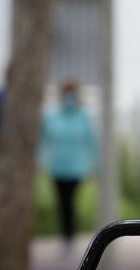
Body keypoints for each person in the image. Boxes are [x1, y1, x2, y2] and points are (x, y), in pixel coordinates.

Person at [39, 80, 98, 256]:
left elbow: (92, 143)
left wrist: (95, 166)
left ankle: (70, 237)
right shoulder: (53, 116)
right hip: (57, 167)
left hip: (76, 169)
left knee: (70, 202)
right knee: (62, 203)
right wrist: (41, 162)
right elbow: (44, 140)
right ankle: (65, 237)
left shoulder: (83, 117)